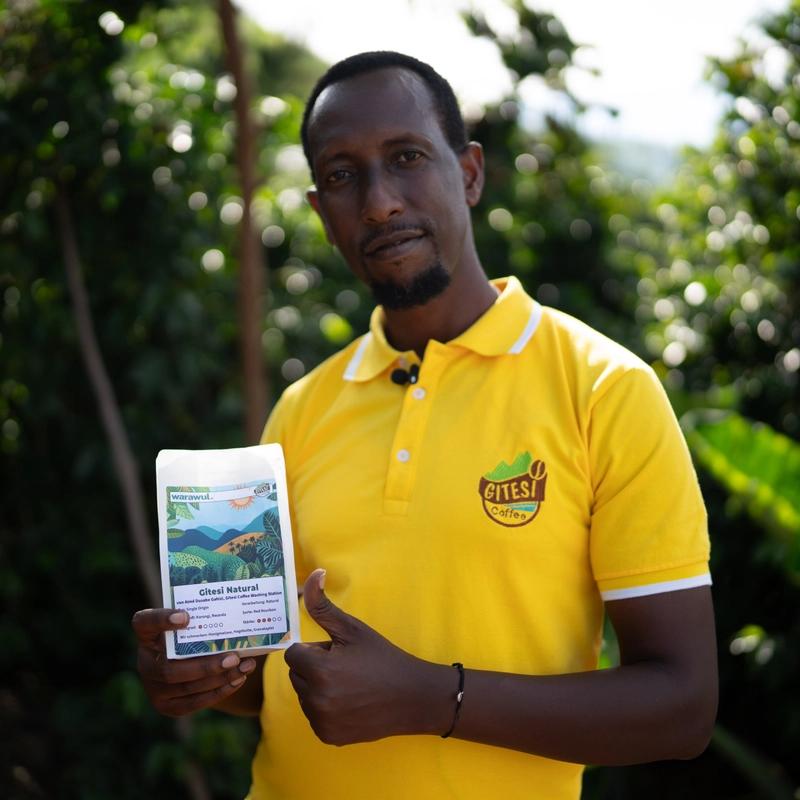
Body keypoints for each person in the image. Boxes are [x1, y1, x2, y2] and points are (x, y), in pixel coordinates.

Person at [132, 51, 718, 799]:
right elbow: (269, 680)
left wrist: (433, 698)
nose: (379, 203)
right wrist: (201, 675)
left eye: (407, 157)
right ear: (320, 212)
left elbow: (683, 706)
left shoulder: (604, 389)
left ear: (469, 173)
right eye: (343, 176)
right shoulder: (302, 409)